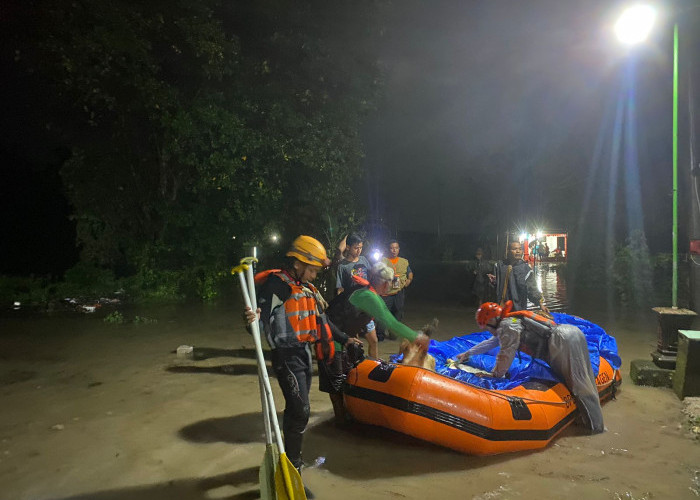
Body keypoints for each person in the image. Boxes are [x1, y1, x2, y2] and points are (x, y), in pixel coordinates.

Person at [244, 235, 361, 498]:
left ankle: (291, 459)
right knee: (300, 410)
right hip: (285, 356)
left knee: (299, 413)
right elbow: (257, 321)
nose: (315, 274)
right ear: (298, 263)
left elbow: (321, 321)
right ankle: (293, 468)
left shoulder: (305, 287)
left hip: (304, 355)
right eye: (312, 269)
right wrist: (250, 318)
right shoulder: (277, 285)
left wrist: (344, 338)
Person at [455, 301, 604, 434]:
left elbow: (506, 353)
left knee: (579, 386)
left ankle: (595, 429)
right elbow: (492, 342)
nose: (489, 331)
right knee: (584, 381)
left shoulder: (508, 326)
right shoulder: (510, 321)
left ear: (491, 322)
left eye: (487, 327)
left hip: (561, 342)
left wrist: (495, 375)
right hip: (571, 335)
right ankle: (590, 421)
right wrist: (468, 353)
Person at [325, 261, 419, 421]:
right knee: (336, 378)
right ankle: (340, 420)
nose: (392, 284)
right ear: (384, 282)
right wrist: (418, 338)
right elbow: (391, 324)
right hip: (329, 336)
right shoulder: (368, 296)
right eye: (391, 281)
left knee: (345, 372)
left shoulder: (370, 293)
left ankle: (345, 414)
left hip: (341, 335)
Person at [335, 233, 378, 354]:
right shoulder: (343, 266)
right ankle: (353, 368)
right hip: (352, 311)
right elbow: (339, 288)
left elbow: (371, 276)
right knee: (354, 344)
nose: (359, 250)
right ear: (348, 247)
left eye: (361, 247)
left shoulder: (364, 260)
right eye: (356, 247)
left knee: (374, 341)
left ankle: (374, 367)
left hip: (366, 309)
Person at [489, 241, 549, 313]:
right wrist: (491, 282)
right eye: (515, 249)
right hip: (500, 309)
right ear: (508, 251)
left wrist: (540, 304)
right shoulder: (499, 266)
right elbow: (494, 287)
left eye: (520, 249)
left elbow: (532, 289)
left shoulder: (526, 270)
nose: (518, 251)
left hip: (518, 309)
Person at [377, 240, 413, 340]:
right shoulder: (383, 261)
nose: (394, 250)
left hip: (399, 292)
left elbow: (409, 272)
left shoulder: (403, 261)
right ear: (389, 249)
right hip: (386, 293)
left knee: (398, 312)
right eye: (392, 248)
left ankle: (394, 334)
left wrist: (409, 280)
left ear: (399, 249)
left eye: (396, 248)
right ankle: (380, 335)